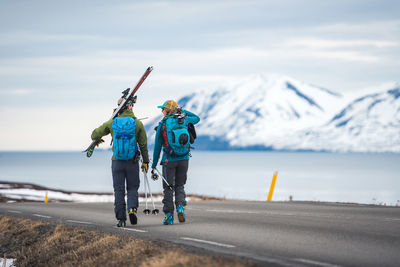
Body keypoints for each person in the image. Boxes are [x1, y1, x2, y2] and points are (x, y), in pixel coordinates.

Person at [91, 98, 149, 227]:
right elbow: (143, 144)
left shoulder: (112, 122)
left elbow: (94, 134)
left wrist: (97, 138)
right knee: (133, 187)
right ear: (130, 107)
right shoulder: (137, 123)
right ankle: (132, 209)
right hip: (132, 161)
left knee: (119, 190)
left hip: (117, 162)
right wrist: (146, 161)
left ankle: (120, 219)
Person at [151, 100, 200, 225]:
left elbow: (157, 147)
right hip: (184, 159)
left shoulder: (163, 124)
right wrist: (182, 111)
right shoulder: (184, 120)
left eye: (163, 109)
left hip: (169, 160)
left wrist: (153, 165)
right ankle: (180, 207)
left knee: (168, 188)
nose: (162, 111)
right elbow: (197, 118)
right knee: (180, 185)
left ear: (167, 110)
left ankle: (169, 216)